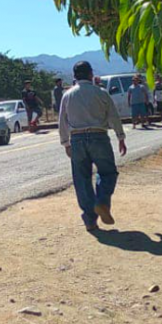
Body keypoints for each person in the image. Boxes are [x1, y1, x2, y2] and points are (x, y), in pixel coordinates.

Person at [59, 61, 127, 232]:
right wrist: (120, 137)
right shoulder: (101, 93)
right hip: (99, 136)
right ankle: (102, 201)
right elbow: (113, 116)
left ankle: (90, 219)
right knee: (108, 172)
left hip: (77, 139)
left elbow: (62, 121)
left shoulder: (67, 95)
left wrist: (65, 143)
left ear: (75, 76)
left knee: (81, 179)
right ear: (91, 74)